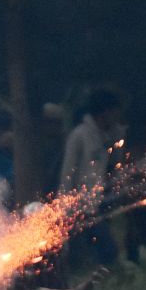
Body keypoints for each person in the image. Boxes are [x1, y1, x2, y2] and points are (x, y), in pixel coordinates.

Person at [60, 90, 126, 266]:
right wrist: (66, 205)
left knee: (97, 247)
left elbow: (114, 162)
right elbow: (68, 173)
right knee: (105, 248)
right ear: (105, 112)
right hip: (81, 203)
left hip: (100, 199)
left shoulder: (108, 135)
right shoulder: (79, 135)